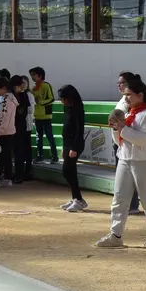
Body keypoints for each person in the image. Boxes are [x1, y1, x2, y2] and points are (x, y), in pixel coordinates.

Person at [97, 77, 146, 249]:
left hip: (143, 161)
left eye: (129, 95)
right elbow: (119, 140)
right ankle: (116, 234)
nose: (126, 98)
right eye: (125, 95)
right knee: (119, 198)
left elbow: (144, 140)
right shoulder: (129, 114)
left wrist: (122, 128)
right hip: (125, 159)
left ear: (140, 95)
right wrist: (116, 129)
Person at [114, 72, 142, 215]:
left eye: (122, 83)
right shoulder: (123, 100)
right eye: (118, 83)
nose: (119, 85)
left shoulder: (130, 103)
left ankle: (132, 204)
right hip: (120, 140)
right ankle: (129, 204)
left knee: (131, 176)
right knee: (123, 177)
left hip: (127, 140)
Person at [58, 84, 86, 212]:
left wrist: (74, 148)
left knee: (68, 170)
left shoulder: (78, 109)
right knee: (68, 171)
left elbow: (79, 130)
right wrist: (64, 147)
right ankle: (76, 197)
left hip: (75, 144)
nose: (61, 101)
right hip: (67, 143)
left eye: (63, 98)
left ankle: (78, 199)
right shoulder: (68, 109)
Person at [30, 66, 57, 164]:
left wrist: (41, 102)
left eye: (34, 75)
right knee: (38, 138)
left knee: (49, 136)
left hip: (46, 116)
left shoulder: (46, 85)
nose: (32, 77)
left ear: (40, 76)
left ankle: (55, 156)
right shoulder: (33, 88)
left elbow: (52, 99)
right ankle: (39, 156)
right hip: (37, 116)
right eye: (31, 75)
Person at [11, 75, 32, 183]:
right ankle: (14, 173)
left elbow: (24, 111)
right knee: (15, 151)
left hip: (20, 127)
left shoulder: (24, 95)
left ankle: (19, 174)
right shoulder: (10, 96)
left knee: (19, 151)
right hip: (12, 126)